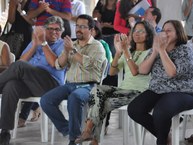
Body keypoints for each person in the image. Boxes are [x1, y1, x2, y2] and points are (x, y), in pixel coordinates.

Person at [75, 21, 155, 145]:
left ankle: (92, 137)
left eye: (141, 31)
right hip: (123, 90)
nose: (136, 34)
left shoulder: (151, 52)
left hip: (140, 93)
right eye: (135, 31)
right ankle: (90, 132)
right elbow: (112, 72)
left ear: (148, 35)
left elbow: (135, 71)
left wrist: (125, 51)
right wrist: (118, 53)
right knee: (97, 90)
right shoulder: (130, 51)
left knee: (102, 103)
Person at [40, 14, 106, 145]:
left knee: (75, 97)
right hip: (70, 84)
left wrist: (72, 51)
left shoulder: (97, 46)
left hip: (89, 85)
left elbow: (89, 64)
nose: (78, 30)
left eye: (83, 27)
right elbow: (59, 65)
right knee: (46, 100)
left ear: (91, 30)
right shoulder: (72, 44)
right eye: (77, 26)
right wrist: (66, 52)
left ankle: (73, 140)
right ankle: (70, 132)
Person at [0, 16, 66, 145]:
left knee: (19, 67)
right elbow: (21, 62)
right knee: (11, 85)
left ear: (62, 31)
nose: (54, 32)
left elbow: (54, 63)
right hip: (31, 84)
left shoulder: (63, 45)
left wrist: (43, 44)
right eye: (50, 29)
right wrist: (35, 45)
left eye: (57, 29)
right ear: (44, 30)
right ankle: (5, 132)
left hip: (51, 85)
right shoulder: (36, 42)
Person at [128, 20, 193, 145]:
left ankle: (162, 141)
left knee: (161, 112)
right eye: (163, 30)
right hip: (158, 89)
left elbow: (172, 73)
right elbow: (142, 70)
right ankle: (164, 135)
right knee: (135, 109)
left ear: (178, 33)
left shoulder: (185, 50)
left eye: (169, 30)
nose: (165, 33)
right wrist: (155, 52)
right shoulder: (158, 49)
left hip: (182, 91)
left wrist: (162, 51)